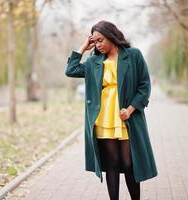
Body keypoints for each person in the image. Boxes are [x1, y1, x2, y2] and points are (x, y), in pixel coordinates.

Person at [65, 20, 157, 200]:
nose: (97, 44)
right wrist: (83, 47)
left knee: (129, 163)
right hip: (104, 117)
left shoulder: (133, 55)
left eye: (100, 40)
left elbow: (144, 86)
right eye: (95, 41)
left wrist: (130, 110)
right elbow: (71, 70)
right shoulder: (94, 62)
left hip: (126, 116)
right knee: (112, 164)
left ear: (111, 36)